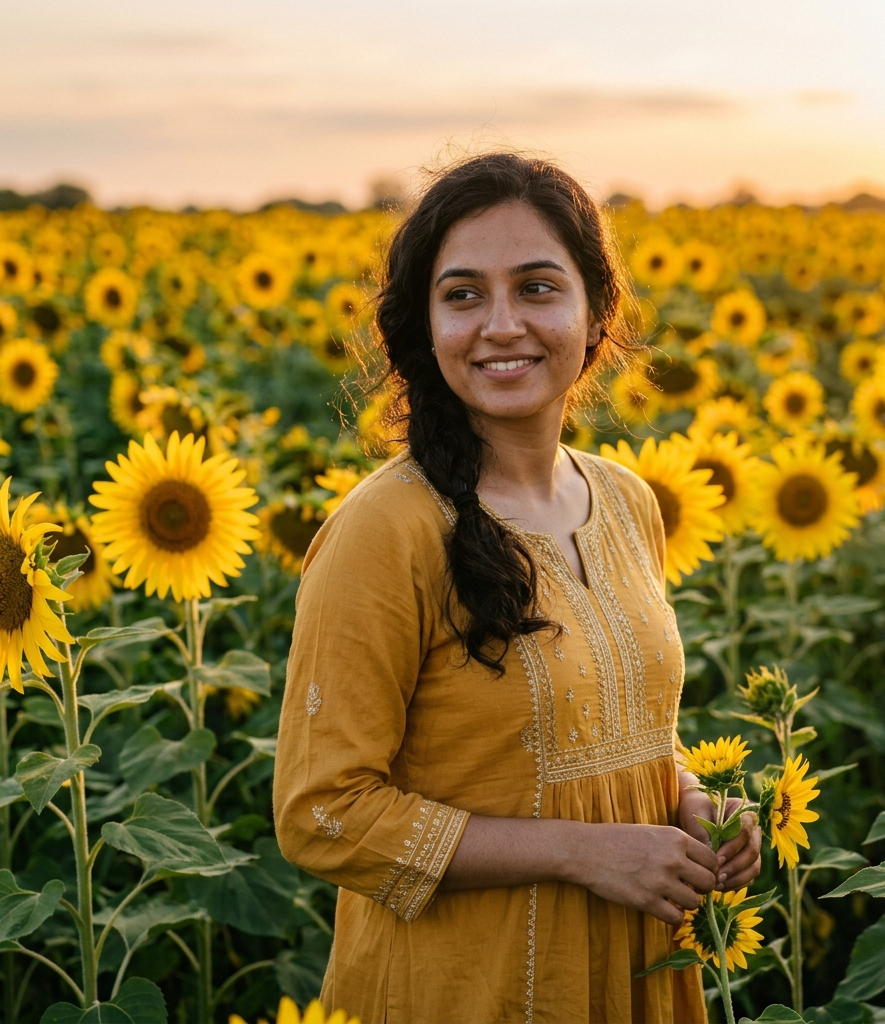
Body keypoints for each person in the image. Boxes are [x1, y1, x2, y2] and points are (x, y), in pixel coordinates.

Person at [274, 153, 762, 1024]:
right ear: (422, 325)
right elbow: (323, 812)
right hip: (472, 986)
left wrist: (686, 800)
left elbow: (616, 728)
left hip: (638, 969)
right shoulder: (387, 529)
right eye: (463, 295)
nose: (502, 324)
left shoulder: (628, 503)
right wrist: (582, 853)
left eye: (538, 287)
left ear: (595, 310)